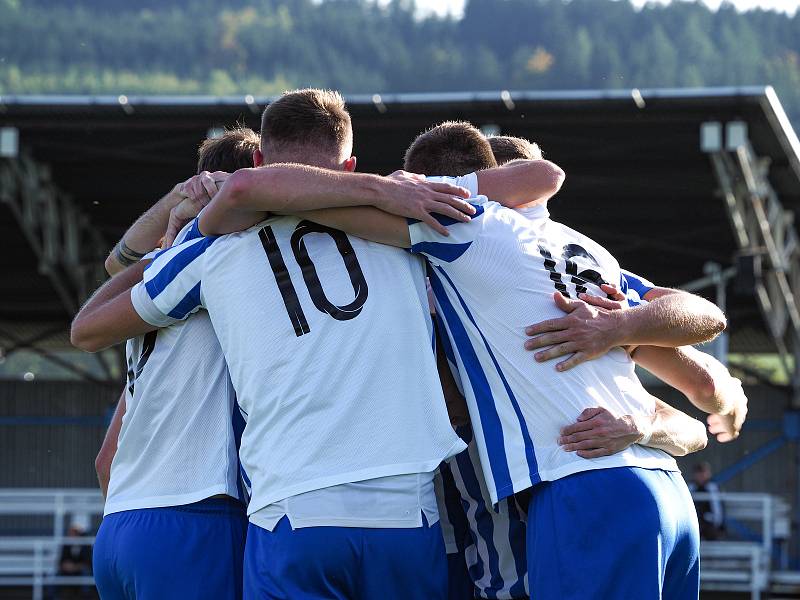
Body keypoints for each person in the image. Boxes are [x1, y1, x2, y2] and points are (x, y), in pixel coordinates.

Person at [211, 120, 723, 599]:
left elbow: (263, 195)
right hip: (659, 489)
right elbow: (702, 378)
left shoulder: (466, 233)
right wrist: (676, 378)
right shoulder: (583, 253)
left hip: (572, 495)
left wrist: (383, 189)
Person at [72, 89, 492, 600]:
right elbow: (537, 179)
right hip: (405, 510)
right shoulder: (406, 229)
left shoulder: (211, 249)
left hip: (283, 510)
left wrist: (180, 221)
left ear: (257, 163)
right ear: (351, 164)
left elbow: (91, 325)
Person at [89, 127, 259, 600]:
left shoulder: (154, 281)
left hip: (120, 528)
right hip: (195, 516)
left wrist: (181, 198)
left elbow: (106, 461)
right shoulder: (226, 267)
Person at [688, 461, 726, 540]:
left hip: (710, 524)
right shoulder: (690, 487)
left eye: (703, 473)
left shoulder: (713, 487)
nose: (701, 476)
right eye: (698, 473)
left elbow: (718, 511)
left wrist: (718, 525)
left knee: (711, 532)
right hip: (694, 523)